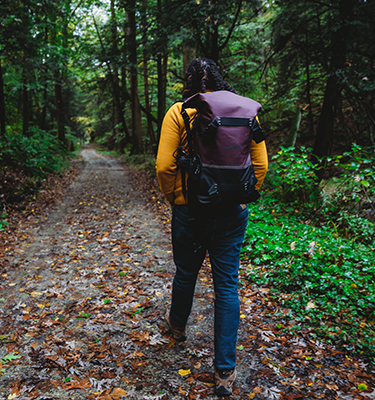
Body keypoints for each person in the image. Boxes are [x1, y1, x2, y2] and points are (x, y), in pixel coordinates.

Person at [156, 58, 268, 396]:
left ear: (187, 84)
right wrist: (241, 196)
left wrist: (177, 197)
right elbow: (260, 163)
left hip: (191, 211)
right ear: (220, 81)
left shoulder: (179, 111)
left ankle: (176, 327)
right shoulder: (245, 111)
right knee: (227, 287)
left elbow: (164, 166)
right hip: (231, 213)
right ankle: (224, 372)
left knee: (186, 272)